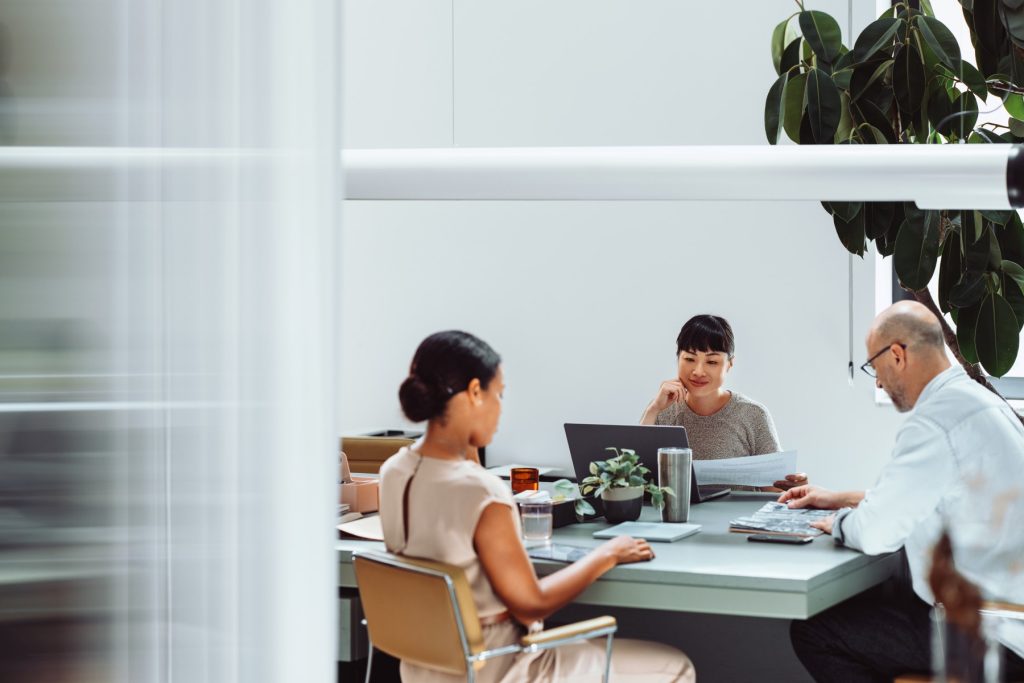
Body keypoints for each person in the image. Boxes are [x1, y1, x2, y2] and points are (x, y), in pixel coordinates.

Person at [379, 330, 695, 683]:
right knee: (676, 665)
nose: (500, 408)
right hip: (500, 668)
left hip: (424, 671)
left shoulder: (394, 471)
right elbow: (532, 603)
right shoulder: (482, 492)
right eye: (498, 394)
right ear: (473, 393)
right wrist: (609, 553)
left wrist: (466, 446)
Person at [779, 301, 1024, 682]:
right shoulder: (979, 402)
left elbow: (876, 534)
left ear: (896, 354)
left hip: (990, 633)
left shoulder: (936, 419)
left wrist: (840, 523)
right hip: (1008, 618)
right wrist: (841, 497)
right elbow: (945, 499)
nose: (876, 381)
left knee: (816, 631)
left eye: (873, 368)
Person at [640, 314, 806, 490]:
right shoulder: (662, 410)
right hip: (677, 516)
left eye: (712, 361)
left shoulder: (753, 414)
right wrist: (653, 409)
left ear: (729, 364)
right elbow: (634, 478)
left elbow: (775, 491)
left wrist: (794, 487)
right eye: (689, 359)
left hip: (737, 516)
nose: (698, 371)